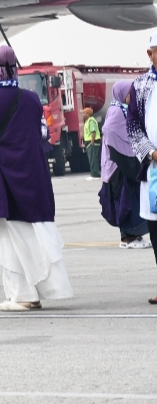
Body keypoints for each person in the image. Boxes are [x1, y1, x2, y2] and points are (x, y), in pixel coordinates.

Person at [0, 45, 73, 312]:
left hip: (1, 177)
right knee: (32, 231)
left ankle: (24, 294)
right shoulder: (31, 99)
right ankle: (36, 290)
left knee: (9, 236)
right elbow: (43, 134)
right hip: (33, 173)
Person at [126, 32, 157, 302]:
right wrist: (151, 152)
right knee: (156, 228)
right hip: (154, 168)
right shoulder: (140, 86)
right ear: (151, 54)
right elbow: (133, 126)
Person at [100, 80, 149, 248]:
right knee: (126, 201)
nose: (132, 96)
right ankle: (128, 238)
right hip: (117, 165)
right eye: (130, 93)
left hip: (125, 160)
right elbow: (109, 131)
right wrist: (123, 156)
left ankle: (134, 237)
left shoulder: (123, 109)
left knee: (132, 199)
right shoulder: (116, 112)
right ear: (122, 93)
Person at [83, 107, 102, 180]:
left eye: (84, 113)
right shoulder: (88, 121)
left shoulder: (91, 121)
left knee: (93, 159)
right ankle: (93, 173)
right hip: (90, 143)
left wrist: (92, 142)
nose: (83, 114)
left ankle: (95, 174)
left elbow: (93, 131)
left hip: (93, 143)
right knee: (91, 159)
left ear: (88, 114)